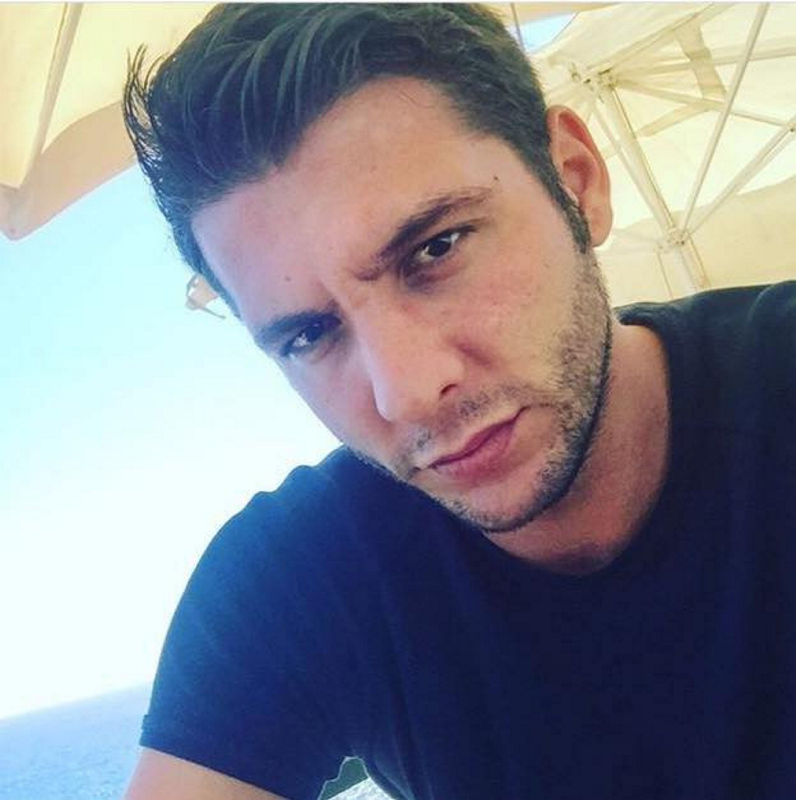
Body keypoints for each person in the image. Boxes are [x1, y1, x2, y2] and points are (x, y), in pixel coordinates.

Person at [122, 4, 796, 799]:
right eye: (309, 335)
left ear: (576, 181)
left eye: (434, 250)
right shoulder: (303, 578)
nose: (406, 392)